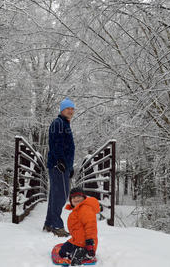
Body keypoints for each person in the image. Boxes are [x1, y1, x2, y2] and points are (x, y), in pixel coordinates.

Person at [43, 98, 75, 237]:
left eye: (72, 109)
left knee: (56, 194)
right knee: (61, 195)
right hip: (58, 165)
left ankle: (50, 223)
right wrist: (61, 161)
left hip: (62, 165)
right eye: (68, 108)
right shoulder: (58, 123)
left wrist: (69, 166)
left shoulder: (64, 123)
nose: (71, 111)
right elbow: (56, 144)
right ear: (62, 110)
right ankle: (56, 225)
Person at [58, 187, 100, 266]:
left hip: (86, 244)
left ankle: (86, 254)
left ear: (84, 198)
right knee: (62, 252)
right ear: (71, 200)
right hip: (76, 241)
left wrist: (90, 244)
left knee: (76, 260)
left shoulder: (85, 209)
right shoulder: (76, 210)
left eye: (79, 197)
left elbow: (90, 226)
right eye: (73, 197)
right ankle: (73, 254)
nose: (76, 199)